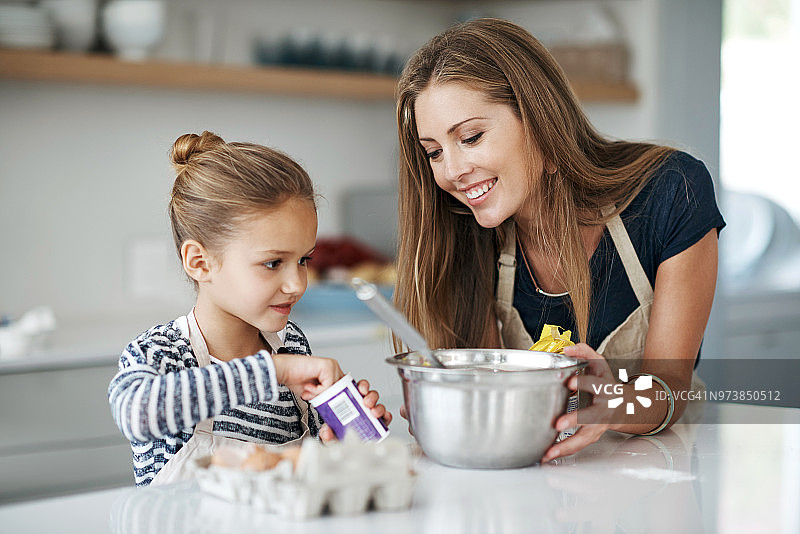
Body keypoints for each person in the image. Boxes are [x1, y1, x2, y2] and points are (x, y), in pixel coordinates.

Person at [394, 18, 724, 461]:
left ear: (538, 119)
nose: (451, 172)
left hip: (660, 467)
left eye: (470, 137)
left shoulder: (671, 190)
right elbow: (495, 399)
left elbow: (670, 388)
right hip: (539, 478)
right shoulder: (467, 232)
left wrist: (616, 402)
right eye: (433, 151)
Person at [108, 131, 391, 486]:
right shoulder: (161, 353)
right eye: (273, 263)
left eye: (304, 259)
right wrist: (274, 371)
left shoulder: (290, 345)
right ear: (200, 262)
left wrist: (346, 438)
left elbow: (306, 472)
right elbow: (137, 413)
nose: (298, 284)